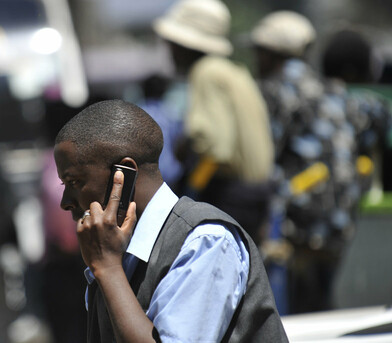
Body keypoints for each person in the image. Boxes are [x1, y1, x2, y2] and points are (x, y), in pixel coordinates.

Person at [54, 99, 287, 342]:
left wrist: (108, 269)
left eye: (74, 182)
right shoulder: (117, 252)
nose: (65, 202)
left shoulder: (205, 241)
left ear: (121, 175)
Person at [251, 14, 391, 313]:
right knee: (323, 308)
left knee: (293, 316)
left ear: (268, 53)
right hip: (340, 224)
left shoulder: (274, 91)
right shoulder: (333, 91)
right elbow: (378, 115)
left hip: (294, 228)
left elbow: (264, 161)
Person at [153, 0, 275, 246]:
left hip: (229, 195)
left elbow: (214, 146)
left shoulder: (206, 72)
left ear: (184, 45)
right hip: (255, 195)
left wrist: (189, 196)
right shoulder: (235, 72)